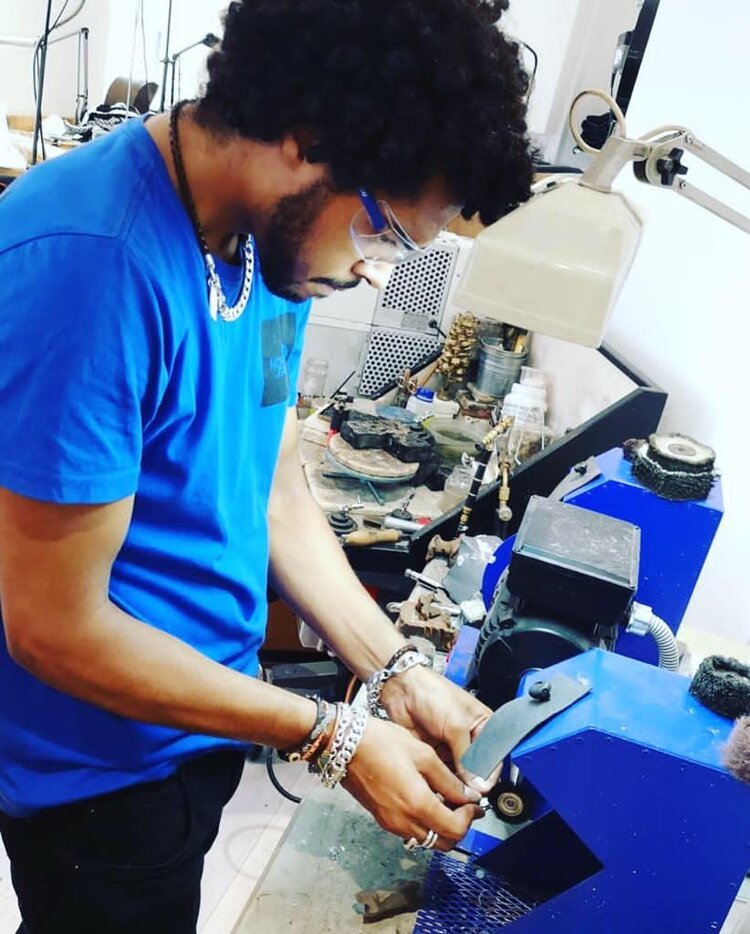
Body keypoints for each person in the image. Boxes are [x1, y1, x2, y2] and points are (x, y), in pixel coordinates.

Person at [0, 0, 532, 931]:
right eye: (384, 235)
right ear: (306, 136)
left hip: (204, 715)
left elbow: (274, 488)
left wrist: (395, 672)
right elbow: (54, 627)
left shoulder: (266, 243)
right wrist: (330, 736)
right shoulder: (91, 267)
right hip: (97, 779)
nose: (376, 271)